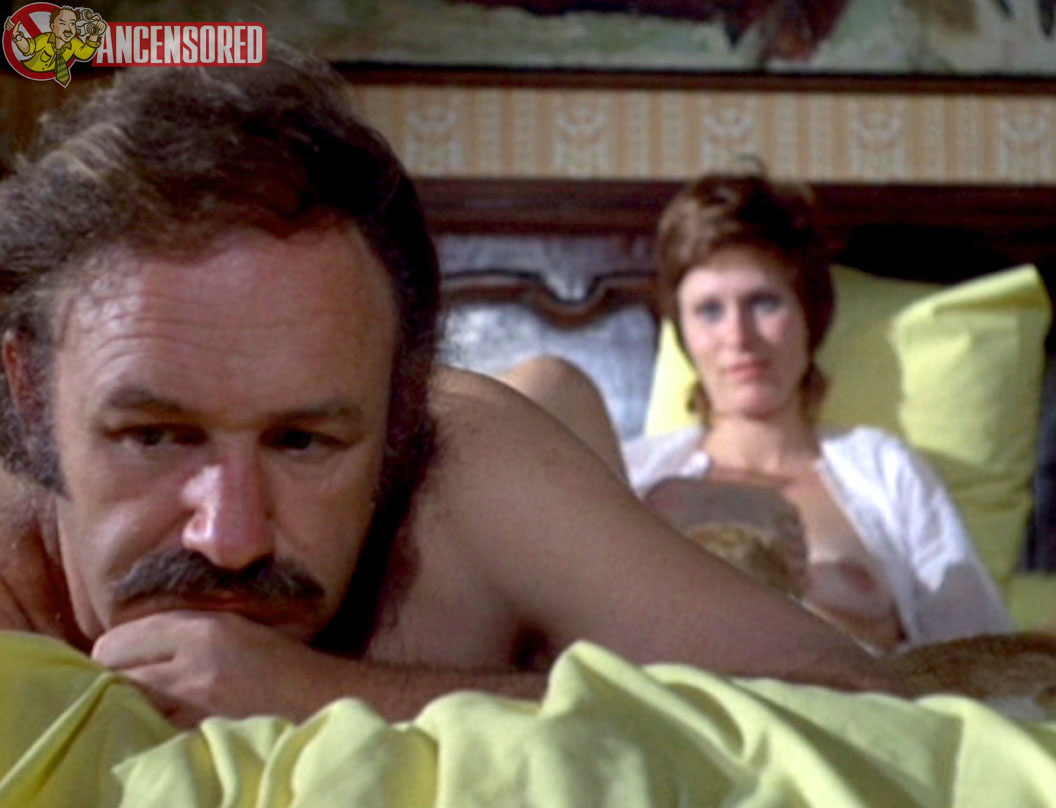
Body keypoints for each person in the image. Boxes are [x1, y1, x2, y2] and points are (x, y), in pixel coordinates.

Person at [0, 48, 900, 729]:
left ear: (400, 413)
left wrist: (332, 692)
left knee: (550, 391)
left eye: (303, 442)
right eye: (156, 436)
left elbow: (850, 691)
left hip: (538, 441)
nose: (230, 540)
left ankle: (668, 519)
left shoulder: (462, 456)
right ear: (30, 391)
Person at [619, 172, 1014, 651]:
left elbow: (977, 642)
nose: (738, 337)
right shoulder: (635, 475)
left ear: (809, 314)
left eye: (763, 302)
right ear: (682, 333)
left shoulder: (885, 470)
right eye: (709, 311)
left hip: (858, 691)